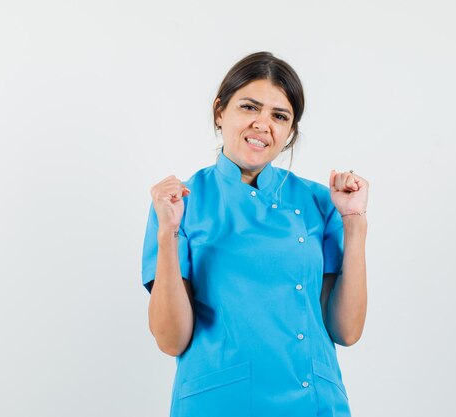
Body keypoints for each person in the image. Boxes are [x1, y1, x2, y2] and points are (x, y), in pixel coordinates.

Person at [141, 51, 368, 417]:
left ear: (290, 131)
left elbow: (347, 331)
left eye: (280, 116)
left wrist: (354, 223)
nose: (263, 124)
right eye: (249, 107)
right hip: (217, 403)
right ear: (220, 112)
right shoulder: (180, 203)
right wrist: (168, 232)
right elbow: (171, 339)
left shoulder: (320, 202)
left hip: (312, 403)